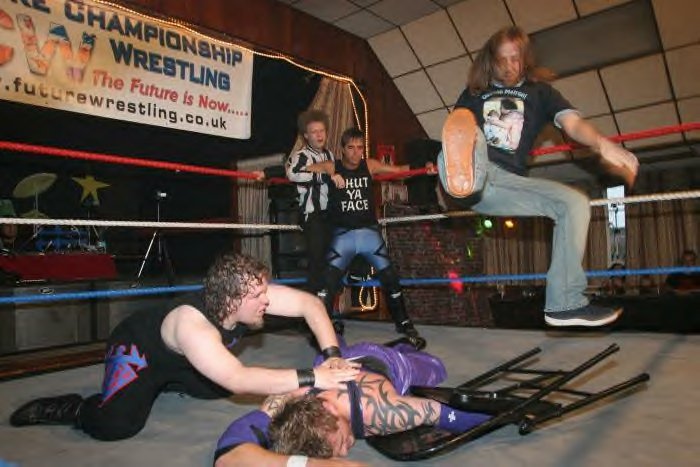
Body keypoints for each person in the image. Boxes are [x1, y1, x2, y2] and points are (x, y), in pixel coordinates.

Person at [9, 253, 359, 440]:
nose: (267, 301)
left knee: (212, 388)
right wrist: (315, 376)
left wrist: (333, 357)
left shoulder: (244, 298)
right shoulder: (194, 327)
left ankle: (175, 383)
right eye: (258, 296)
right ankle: (74, 409)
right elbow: (238, 379)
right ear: (232, 300)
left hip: (185, 361)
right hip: (139, 352)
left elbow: (310, 305)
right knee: (116, 427)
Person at [438, 25, 639, 327]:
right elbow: (457, 129)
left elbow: (573, 124)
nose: (508, 66)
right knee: (469, 131)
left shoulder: (541, 93)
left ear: (525, 60)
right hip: (476, 168)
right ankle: (458, 177)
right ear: (490, 62)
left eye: (515, 58)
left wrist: (601, 143)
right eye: (501, 59)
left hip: (509, 185)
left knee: (574, 203)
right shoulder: (474, 93)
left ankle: (564, 304)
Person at [213, 341, 491, 466]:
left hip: (381, 361)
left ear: (330, 411)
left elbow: (442, 413)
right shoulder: (285, 400)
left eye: (340, 442)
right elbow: (236, 436)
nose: (344, 451)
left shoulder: (381, 411)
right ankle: (339, 342)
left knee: (434, 370)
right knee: (330, 355)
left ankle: (403, 348)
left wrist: (495, 418)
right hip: (327, 364)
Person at [303, 128, 436, 348]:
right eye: (351, 148)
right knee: (326, 284)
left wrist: (425, 168)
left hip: (369, 235)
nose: (356, 153)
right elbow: (302, 171)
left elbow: (399, 170)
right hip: (343, 237)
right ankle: (321, 327)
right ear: (343, 150)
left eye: (359, 148)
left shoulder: (370, 165)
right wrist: (328, 174)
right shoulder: (332, 165)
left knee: (391, 277)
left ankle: (404, 323)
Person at [285, 110, 336, 294]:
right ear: (306, 135)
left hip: (329, 214)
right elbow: (292, 173)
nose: (319, 135)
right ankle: (312, 311)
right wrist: (323, 176)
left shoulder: (329, 155)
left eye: (321, 130)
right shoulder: (302, 155)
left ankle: (324, 305)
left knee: (332, 258)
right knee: (317, 260)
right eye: (314, 132)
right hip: (312, 214)